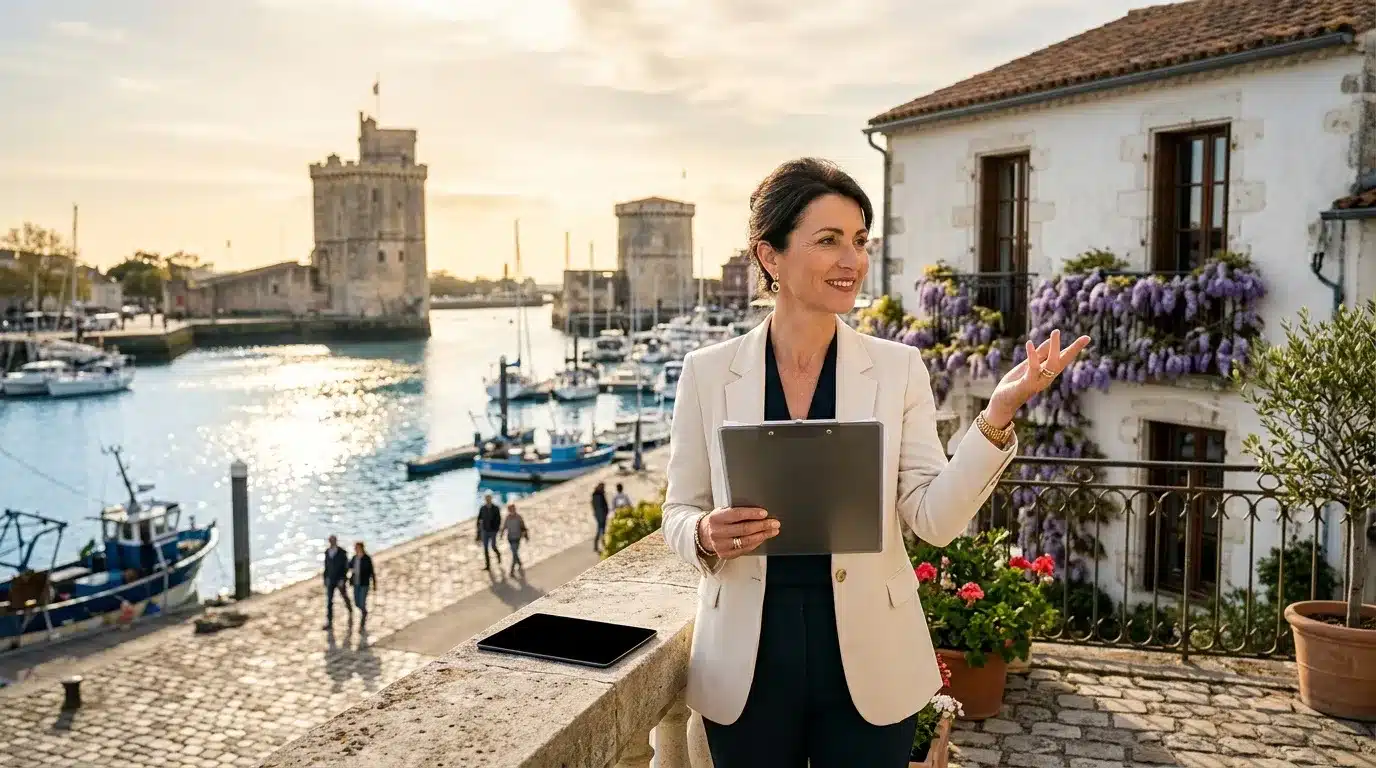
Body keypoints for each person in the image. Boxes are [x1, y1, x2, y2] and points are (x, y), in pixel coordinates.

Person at [659, 158, 1090, 768]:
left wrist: (995, 417)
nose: (852, 261)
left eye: (860, 241)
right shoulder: (706, 373)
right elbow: (677, 509)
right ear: (770, 256)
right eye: (829, 241)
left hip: (871, 662)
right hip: (746, 665)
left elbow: (934, 520)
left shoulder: (899, 370)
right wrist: (701, 533)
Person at [322, 534, 351, 630]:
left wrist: (343, 579)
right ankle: (329, 622)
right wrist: (325, 578)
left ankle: (350, 609)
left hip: (339, 580)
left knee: (344, 596)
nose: (331, 542)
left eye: (333, 540)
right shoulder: (327, 552)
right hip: (330, 580)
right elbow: (326, 567)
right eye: (330, 540)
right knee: (329, 601)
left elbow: (346, 567)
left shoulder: (342, 552)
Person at [348, 541, 377, 629]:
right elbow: (348, 566)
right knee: (357, 603)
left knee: (362, 602)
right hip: (356, 583)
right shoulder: (354, 558)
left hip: (364, 584)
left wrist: (375, 584)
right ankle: (364, 612)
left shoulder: (367, 558)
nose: (355, 549)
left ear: (361, 548)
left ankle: (364, 616)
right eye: (355, 548)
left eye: (357, 547)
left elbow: (372, 572)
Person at [476, 493, 503, 571]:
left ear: (491, 499)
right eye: (486, 498)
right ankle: (488, 566)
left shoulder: (496, 508)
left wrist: (496, 529)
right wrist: (478, 533)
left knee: (493, 546)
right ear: (485, 499)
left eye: (489, 498)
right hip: (485, 531)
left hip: (493, 531)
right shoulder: (482, 508)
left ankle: (498, 555)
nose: (488, 500)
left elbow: (499, 520)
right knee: (485, 549)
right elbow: (479, 519)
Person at [502, 503, 530, 578]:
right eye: (510, 509)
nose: (512, 510)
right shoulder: (507, 517)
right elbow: (504, 526)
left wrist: (526, 537)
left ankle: (512, 571)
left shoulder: (519, 517)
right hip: (510, 538)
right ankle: (519, 563)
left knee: (514, 553)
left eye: (513, 509)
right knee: (515, 552)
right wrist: (501, 534)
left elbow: (523, 527)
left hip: (517, 538)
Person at [590, 482, 610, 553]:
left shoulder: (596, 495)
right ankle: (602, 545)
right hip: (601, 515)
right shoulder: (598, 495)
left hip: (600, 515)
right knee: (601, 531)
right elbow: (600, 506)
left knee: (601, 531)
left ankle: (601, 545)